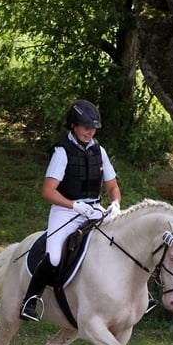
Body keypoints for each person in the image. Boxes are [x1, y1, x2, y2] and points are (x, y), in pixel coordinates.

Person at [20, 99, 122, 322]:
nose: (90, 132)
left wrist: (115, 204)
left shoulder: (99, 151)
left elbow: (112, 186)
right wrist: (75, 205)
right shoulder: (62, 151)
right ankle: (30, 300)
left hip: (94, 208)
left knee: (121, 241)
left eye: (93, 128)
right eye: (86, 127)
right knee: (55, 257)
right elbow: (48, 191)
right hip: (65, 210)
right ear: (73, 125)